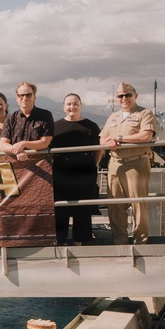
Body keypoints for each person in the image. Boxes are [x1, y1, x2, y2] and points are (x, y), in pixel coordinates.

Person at [100, 82, 158, 244]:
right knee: (115, 206)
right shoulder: (113, 117)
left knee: (138, 205)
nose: (124, 98)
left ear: (135, 96)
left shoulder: (144, 113)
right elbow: (102, 137)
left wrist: (119, 139)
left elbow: (146, 136)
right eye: (120, 96)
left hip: (136, 164)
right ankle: (120, 241)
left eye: (128, 95)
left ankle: (140, 242)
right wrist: (107, 142)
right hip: (115, 164)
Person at [51, 94, 103, 245]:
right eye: (68, 104)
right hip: (61, 172)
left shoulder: (91, 126)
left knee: (83, 208)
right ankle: (60, 241)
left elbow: (98, 150)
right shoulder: (55, 126)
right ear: (63, 106)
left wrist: (90, 165)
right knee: (60, 209)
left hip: (84, 172)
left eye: (75, 104)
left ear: (81, 105)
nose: (72, 107)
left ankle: (80, 242)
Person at [0, 82, 54, 162]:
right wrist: (17, 150)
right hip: (17, 169)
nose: (24, 98)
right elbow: (3, 145)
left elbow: (44, 143)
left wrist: (23, 144)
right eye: (21, 95)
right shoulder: (10, 119)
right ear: (17, 98)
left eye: (28, 95)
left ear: (34, 97)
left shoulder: (45, 115)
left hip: (41, 166)